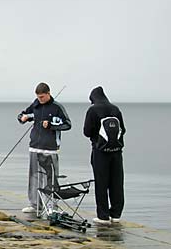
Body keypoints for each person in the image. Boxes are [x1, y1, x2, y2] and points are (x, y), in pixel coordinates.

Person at [17, 82, 72, 213]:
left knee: (51, 178)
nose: (40, 99)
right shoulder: (35, 104)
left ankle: (52, 206)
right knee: (34, 176)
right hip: (34, 146)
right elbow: (24, 114)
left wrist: (52, 125)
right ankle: (34, 204)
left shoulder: (57, 107)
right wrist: (22, 118)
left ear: (48, 94)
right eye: (38, 97)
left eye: (42, 97)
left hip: (50, 149)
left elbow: (67, 124)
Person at [83, 86, 126, 225]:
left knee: (101, 183)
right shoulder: (115, 109)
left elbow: (87, 131)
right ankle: (116, 215)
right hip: (116, 153)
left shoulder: (93, 110)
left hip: (100, 152)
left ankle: (103, 216)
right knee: (117, 182)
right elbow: (123, 130)